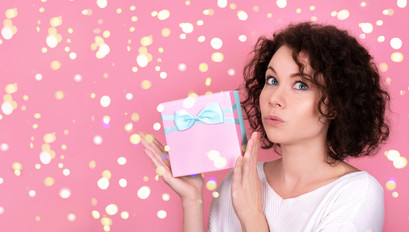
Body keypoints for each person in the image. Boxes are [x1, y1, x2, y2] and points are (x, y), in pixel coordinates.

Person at [140, 21, 390, 232]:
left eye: (301, 85)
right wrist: (191, 201)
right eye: (272, 80)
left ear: (335, 104)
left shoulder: (357, 192)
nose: (274, 98)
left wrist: (253, 218)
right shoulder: (238, 180)